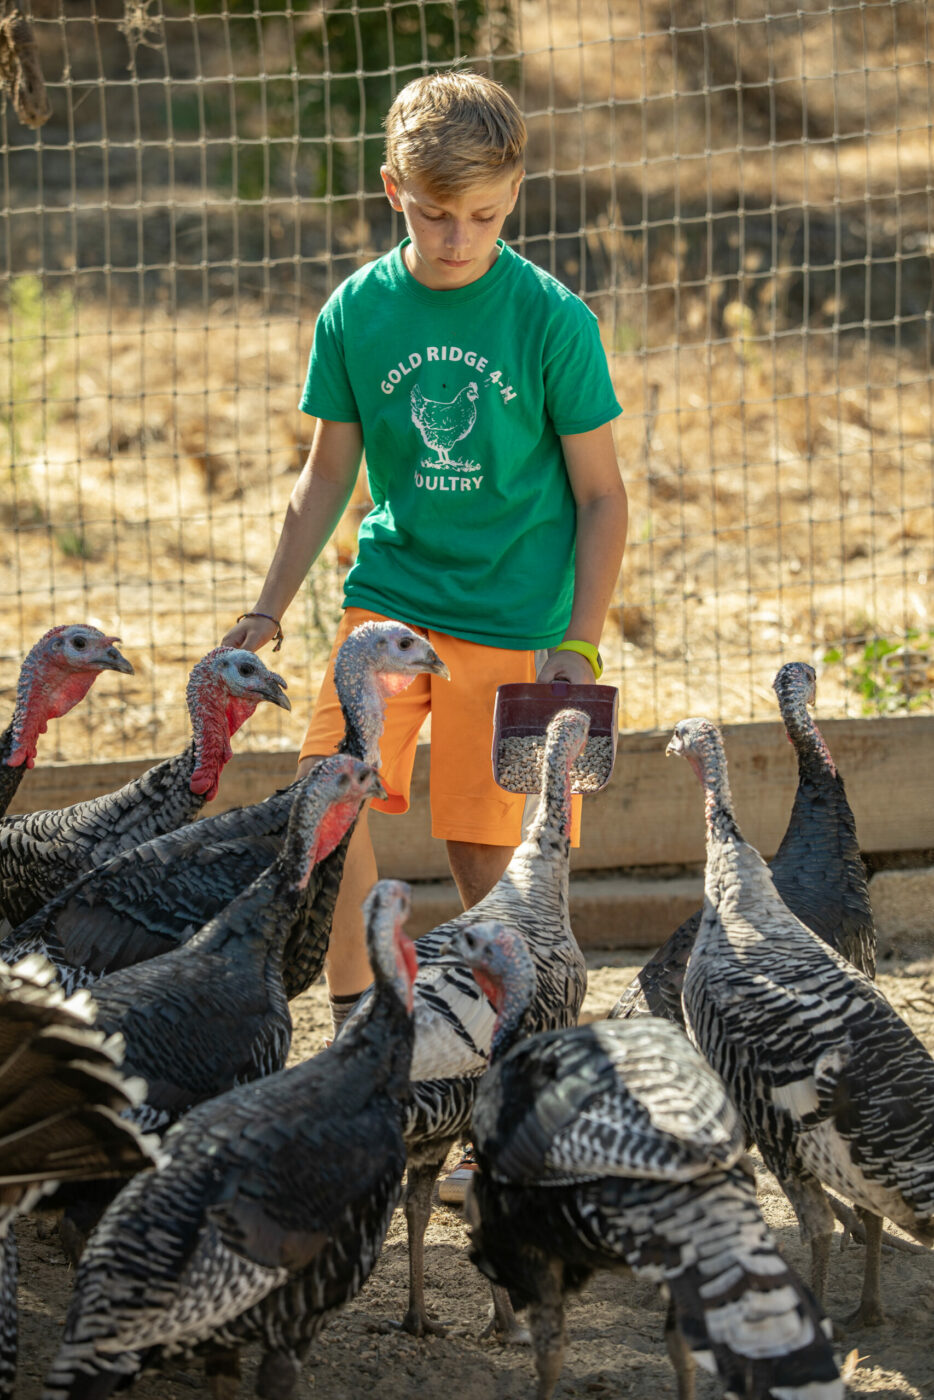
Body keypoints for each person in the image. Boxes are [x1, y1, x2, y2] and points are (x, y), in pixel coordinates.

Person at [222, 72, 627, 1055]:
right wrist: (265, 609)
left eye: (483, 216)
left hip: (522, 621)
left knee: (490, 852)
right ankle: (368, 1032)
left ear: (517, 191)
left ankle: (515, 1061)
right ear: (391, 189)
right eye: (435, 214)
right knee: (326, 795)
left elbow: (602, 496)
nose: (457, 238)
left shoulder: (552, 320)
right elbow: (324, 474)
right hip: (392, 601)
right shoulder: (358, 310)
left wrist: (581, 640)